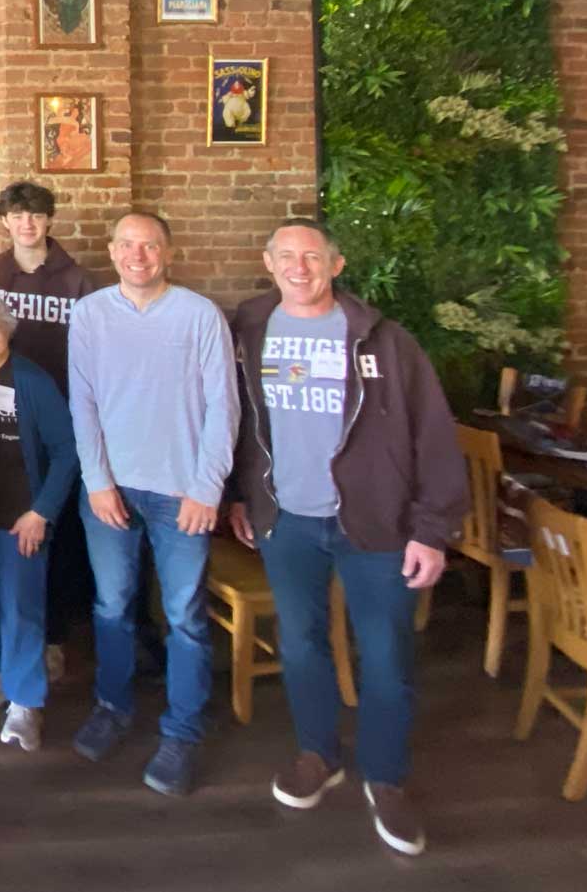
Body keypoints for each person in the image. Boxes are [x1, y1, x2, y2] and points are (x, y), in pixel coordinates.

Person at [225, 219, 466, 856]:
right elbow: (235, 421)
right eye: (286, 256)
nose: (298, 267)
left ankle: (385, 779)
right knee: (301, 645)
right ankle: (318, 755)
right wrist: (240, 496)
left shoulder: (385, 341)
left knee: (386, 657)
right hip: (288, 522)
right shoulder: (248, 329)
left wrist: (432, 530)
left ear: (336, 264)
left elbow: (434, 438)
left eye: (312, 256)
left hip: (376, 526)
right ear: (267, 262)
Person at [67, 211, 238, 797]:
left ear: (168, 252)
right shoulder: (89, 314)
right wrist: (96, 481)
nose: (138, 255)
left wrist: (206, 488)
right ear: (111, 252)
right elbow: (83, 403)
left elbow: (224, 408)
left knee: (186, 616)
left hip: (181, 493)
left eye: (150, 245)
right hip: (111, 489)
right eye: (127, 245)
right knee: (111, 605)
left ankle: (182, 730)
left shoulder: (199, 315)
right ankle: (113, 705)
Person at [0, 179, 98, 696]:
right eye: (17, 215)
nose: (27, 224)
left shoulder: (78, 280)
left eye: (37, 216)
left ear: (49, 221)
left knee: (57, 532)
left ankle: (54, 638)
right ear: (4, 221)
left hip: (58, 414)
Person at [0, 290, 78, 753]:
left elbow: (67, 451)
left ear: (8, 329)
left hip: (21, 518)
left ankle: (26, 701)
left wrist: (41, 512)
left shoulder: (31, 380)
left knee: (21, 607)